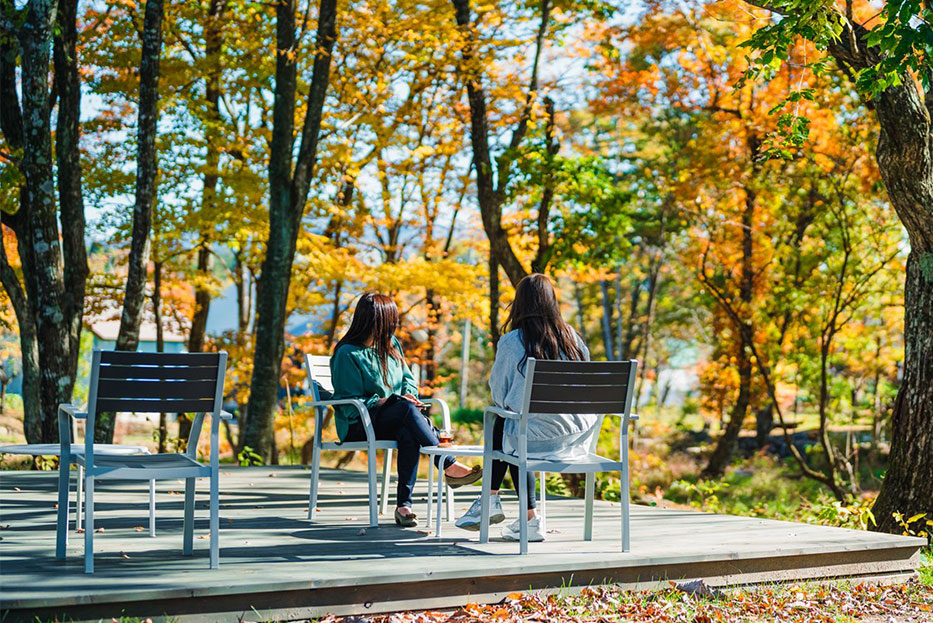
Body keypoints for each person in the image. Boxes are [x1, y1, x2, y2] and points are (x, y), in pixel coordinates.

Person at [456, 274, 594, 541]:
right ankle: (520, 517)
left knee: (506, 421)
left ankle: (490, 500)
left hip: (532, 440)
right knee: (517, 425)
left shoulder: (512, 341)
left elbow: (498, 395)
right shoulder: (573, 339)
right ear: (552, 302)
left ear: (519, 303)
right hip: (578, 440)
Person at [330, 292, 482, 527]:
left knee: (407, 430)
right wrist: (390, 400)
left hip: (392, 418)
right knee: (404, 409)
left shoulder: (390, 345)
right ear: (374, 321)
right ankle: (448, 463)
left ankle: (404, 506)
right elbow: (350, 401)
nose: (393, 326)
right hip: (358, 424)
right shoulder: (347, 353)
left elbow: (408, 379)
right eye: (390, 320)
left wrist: (408, 394)